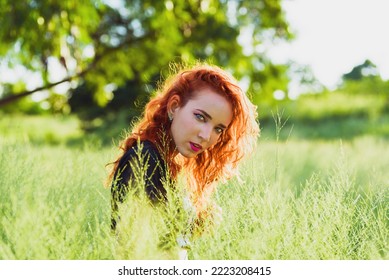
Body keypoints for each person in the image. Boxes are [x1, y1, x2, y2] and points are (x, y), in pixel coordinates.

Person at [107, 63, 259, 256]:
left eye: (218, 129)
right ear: (174, 106)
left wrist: (195, 224)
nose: (206, 135)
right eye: (200, 117)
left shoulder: (165, 161)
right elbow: (142, 252)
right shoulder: (145, 158)